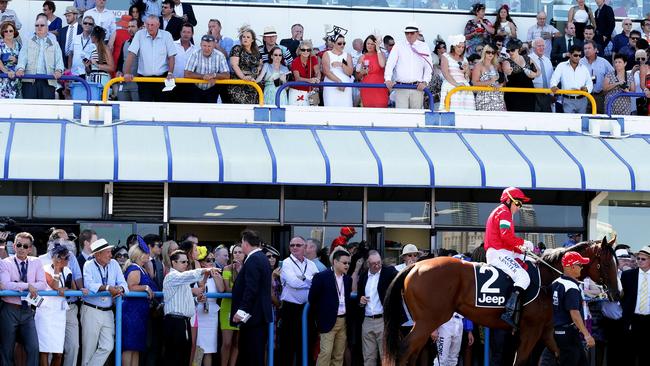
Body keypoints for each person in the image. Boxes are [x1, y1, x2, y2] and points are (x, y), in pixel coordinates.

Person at [485, 187, 533, 329]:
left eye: (521, 205)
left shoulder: (504, 212)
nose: (519, 207)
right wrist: (523, 243)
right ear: (508, 200)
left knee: (531, 260)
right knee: (524, 278)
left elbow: (507, 240)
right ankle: (509, 312)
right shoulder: (504, 212)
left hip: (504, 251)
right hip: (498, 253)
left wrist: (522, 249)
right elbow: (506, 236)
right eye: (517, 203)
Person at [163, 249, 219, 366]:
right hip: (176, 320)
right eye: (183, 262)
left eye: (187, 262)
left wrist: (196, 299)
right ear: (174, 263)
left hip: (191, 318)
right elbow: (190, 276)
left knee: (188, 352)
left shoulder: (183, 278)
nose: (186, 264)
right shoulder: (172, 276)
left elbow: (185, 297)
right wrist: (204, 270)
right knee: (176, 356)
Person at [0, 232, 47, 366]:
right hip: (9, 309)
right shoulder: (5, 263)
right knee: (6, 349)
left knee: (33, 348)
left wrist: (18, 285)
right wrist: (28, 286)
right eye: (19, 245)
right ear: (14, 246)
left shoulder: (37, 262)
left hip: (27, 311)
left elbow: (43, 284)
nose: (22, 248)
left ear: (30, 249)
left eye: (25, 246)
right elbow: (5, 285)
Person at [81, 238, 128, 366]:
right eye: (107, 252)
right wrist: (108, 288)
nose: (111, 255)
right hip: (91, 310)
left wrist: (120, 288)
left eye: (110, 252)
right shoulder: (88, 264)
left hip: (108, 311)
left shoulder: (114, 264)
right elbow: (89, 284)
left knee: (108, 346)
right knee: (88, 350)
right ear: (97, 254)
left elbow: (123, 283)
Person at [231, 230, 273, 366]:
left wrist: (242, 311)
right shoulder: (261, 258)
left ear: (245, 243)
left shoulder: (254, 259)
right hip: (257, 316)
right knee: (252, 353)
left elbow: (251, 288)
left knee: (252, 354)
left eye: (242, 242)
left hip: (253, 316)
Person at [279, 236, 319, 366]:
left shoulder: (312, 264)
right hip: (290, 309)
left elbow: (318, 283)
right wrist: (308, 280)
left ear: (305, 247)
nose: (294, 247)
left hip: (307, 309)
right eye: (292, 245)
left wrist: (302, 278)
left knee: (308, 342)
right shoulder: (286, 263)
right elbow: (293, 282)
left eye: (298, 245)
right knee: (288, 346)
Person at [309, 248, 352, 366]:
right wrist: (320, 318)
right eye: (344, 263)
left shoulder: (348, 279)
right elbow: (312, 299)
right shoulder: (321, 277)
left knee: (339, 354)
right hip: (327, 321)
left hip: (343, 321)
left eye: (348, 263)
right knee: (325, 353)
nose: (347, 265)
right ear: (335, 262)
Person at [552, 251, 596, 365]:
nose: (582, 268)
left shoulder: (556, 282)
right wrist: (587, 335)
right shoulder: (571, 287)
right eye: (580, 265)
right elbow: (574, 313)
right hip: (568, 334)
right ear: (572, 267)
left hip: (558, 331)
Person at [35, 245, 76, 366]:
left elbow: (72, 288)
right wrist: (57, 269)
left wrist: (67, 289)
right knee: (45, 350)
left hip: (59, 314)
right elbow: (55, 286)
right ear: (55, 258)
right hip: (45, 314)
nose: (67, 260)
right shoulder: (45, 269)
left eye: (68, 257)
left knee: (58, 352)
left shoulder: (68, 271)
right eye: (64, 257)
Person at [357, 250, 397, 366]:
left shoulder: (388, 272)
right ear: (367, 264)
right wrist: (361, 300)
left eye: (379, 262)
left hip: (383, 320)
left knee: (387, 358)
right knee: (368, 358)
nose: (377, 265)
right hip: (367, 320)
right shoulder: (364, 276)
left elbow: (400, 278)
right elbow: (360, 296)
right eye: (373, 263)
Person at [124, 15, 177, 102]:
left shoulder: (167, 35)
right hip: (144, 79)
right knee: (145, 108)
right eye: (147, 24)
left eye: (152, 25)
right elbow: (131, 54)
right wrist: (127, 72)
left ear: (158, 25)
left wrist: (170, 73)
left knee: (161, 107)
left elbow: (171, 56)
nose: (149, 27)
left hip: (162, 79)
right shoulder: (139, 34)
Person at [121, 242, 156, 366]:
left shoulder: (142, 268)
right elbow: (131, 287)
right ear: (140, 255)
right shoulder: (134, 268)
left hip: (139, 312)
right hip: (131, 312)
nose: (149, 255)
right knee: (129, 346)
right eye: (146, 253)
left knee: (137, 347)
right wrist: (146, 287)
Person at [384, 22, 433, 109]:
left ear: (417, 33)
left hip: (417, 87)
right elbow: (390, 63)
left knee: (416, 117)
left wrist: (425, 82)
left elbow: (428, 66)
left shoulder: (424, 46)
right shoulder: (398, 45)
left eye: (412, 33)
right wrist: (387, 79)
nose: (409, 35)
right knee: (402, 117)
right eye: (407, 33)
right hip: (401, 87)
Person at [15, 15, 64, 99]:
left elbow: (59, 59)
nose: (39, 27)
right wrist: (20, 69)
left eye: (42, 25)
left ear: (47, 28)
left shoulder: (54, 43)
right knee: (30, 109)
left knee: (46, 109)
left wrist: (59, 71)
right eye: (37, 25)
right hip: (30, 80)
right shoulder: (28, 41)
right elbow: (22, 57)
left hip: (48, 80)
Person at [620, 245, 650, 366]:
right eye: (638, 258)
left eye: (643, 259)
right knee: (629, 354)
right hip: (633, 319)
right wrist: (627, 314)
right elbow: (623, 297)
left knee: (646, 355)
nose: (639, 261)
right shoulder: (628, 275)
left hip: (649, 320)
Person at [195, 246, 225, 366]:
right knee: (198, 347)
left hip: (211, 313)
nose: (211, 263)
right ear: (202, 262)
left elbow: (222, 290)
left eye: (213, 260)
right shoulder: (197, 275)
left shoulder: (216, 274)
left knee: (209, 349)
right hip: (199, 313)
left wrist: (216, 275)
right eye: (208, 260)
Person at [185, 33, 230, 101]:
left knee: (211, 111)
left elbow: (227, 75)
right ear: (200, 45)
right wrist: (203, 76)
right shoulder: (195, 54)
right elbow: (187, 73)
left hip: (212, 89)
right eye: (204, 45)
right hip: (196, 89)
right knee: (196, 111)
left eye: (209, 46)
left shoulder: (220, 55)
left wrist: (214, 75)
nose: (206, 48)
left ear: (214, 45)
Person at [550, 45, 594, 114]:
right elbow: (554, 78)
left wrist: (587, 89)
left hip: (582, 100)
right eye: (575, 55)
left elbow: (589, 82)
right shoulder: (561, 66)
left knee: (581, 123)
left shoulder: (584, 68)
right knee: (569, 123)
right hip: (567, 100)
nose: (578, 57)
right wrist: (553, 86)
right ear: (570, 55)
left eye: (580, 55)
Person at [220, 244, 244, 366]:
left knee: (237, 343)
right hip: (228, 307)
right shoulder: (227, 268)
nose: (237, 254)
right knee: (227, 343)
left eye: (240, 252)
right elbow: (228, 289)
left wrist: (240, 271)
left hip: (242, 308)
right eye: (235, 252)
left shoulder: (247, 268)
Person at [438, 34, 473, 111]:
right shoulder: (445, 56)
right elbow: (445, 73)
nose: (461, 49)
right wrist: (457, 85)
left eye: (463, 47)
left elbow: (468, 77)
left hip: (464, 86)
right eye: (459, 47)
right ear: (453, 46)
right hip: (451, 85)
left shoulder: (464, 59)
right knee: (451, 110)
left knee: (467, 111)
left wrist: (466, 70)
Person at [228, 26, 262, 104]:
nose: (245, 39)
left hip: (253, 83)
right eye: (243, 37)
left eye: (248, 37)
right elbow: (234, 65)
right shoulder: (237, 48)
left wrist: (257, 70)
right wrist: (243, 77)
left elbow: (260, 64)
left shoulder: (256, 52)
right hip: (239, 83)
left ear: (252, 40)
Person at [504, 39, 539, 112]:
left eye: (512, 50)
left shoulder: (527, 58)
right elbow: (507, 70)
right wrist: (508, 71)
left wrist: (533, 74)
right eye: (508, 51)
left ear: (518, 49)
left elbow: (538, 71)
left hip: (528, 93)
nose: (510, 52)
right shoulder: (506, 61)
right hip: (513, 94)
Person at [580, 40, 613, 113]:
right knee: (584, 118)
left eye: (589, 48)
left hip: (599, 96)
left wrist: (607, 88)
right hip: (584, 96)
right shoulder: (580, 62)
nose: (587, 50)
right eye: (585, 49)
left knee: (599, 119)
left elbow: (613, 75)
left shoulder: (603, 62)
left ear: (595, 50)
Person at [322, 32, 353, 107]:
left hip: (345, 87)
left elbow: (350, 72)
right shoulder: (327, 54)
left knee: (346, 109)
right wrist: (339, 81)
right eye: (339, 43)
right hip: (332, 86)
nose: (342, 45)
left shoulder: (347, 55)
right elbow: (326, 71)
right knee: (331, 108)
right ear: (333, 43)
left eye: (344, 43)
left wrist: (342, 65)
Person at [356, 34, 387, 108]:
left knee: (381, 110)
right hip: (366, 88)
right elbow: (357, 76)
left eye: (372, 44)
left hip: (380, 88)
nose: (369, 46)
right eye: (368, 43)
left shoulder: (381, 54)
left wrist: (378, 49)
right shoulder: (362, 57)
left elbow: (382, 65)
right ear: (365, 44)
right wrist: (362, 73)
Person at [472, 43, 505, 111]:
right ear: (484, 52)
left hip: (498, 98)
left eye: (493, 52)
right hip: (484, 98)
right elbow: (474, 83)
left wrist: (500, 85)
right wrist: (489, 82)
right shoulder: (478, 65)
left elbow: (503, 81)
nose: (491, 54)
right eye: (488, 52)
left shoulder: (497, 65)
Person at [289, 39, 320, 106]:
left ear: (310, 51)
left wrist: (318, 78)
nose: (306, 52)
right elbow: (297, 78)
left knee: (313, 112)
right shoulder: (295, 61)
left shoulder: (313, 58)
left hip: (311, 91)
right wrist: (309, 80)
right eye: (303, 50)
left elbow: (317, 71)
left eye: (308, 50)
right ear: (299, 50)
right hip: (297, 91)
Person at [530, 37, 554, 112]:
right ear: (533, 47)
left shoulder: (547, 60)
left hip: (547, 94)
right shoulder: (528, 59)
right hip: (534, 94)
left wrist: (552, 94)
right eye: (539, 46)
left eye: (543, 46)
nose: (542, 48)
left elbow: (551, 77)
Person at [0, 20, 21, 98]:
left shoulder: (18, 45)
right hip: (3, 79)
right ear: (3, 33)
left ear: (14, 32)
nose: (8, 33)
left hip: (16, 79)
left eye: (11, 31)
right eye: (6, 31)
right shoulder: (0, 44)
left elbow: (23, 60)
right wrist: (6, 72)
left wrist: (16, 60)